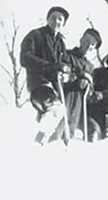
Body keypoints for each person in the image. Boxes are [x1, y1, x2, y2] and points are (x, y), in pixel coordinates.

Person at [20, 6, 71, 143]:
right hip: (39, 83)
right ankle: (38, 140)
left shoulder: (60, 42)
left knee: (57, 114)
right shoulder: (36, 35)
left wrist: (66, 71)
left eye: (60, 19)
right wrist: (49, 67)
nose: (56, 21)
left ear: (63, 23)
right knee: (56, 109)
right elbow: (25, 57)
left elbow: (65, 63)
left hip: (54, 87)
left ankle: (48, 146)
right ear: (47, 19)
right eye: (53, 17)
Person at [64, 28, 102, 139]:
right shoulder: (67, 55)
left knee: (91, 130)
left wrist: (94, 94)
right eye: (86, 41)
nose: (88, 46)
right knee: (60, 128)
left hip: (80, 104)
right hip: (66, 96)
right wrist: (78, 78)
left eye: (92, 44)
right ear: (81, 40)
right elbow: (63, 76)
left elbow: (89, 91)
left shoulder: (90, 66)